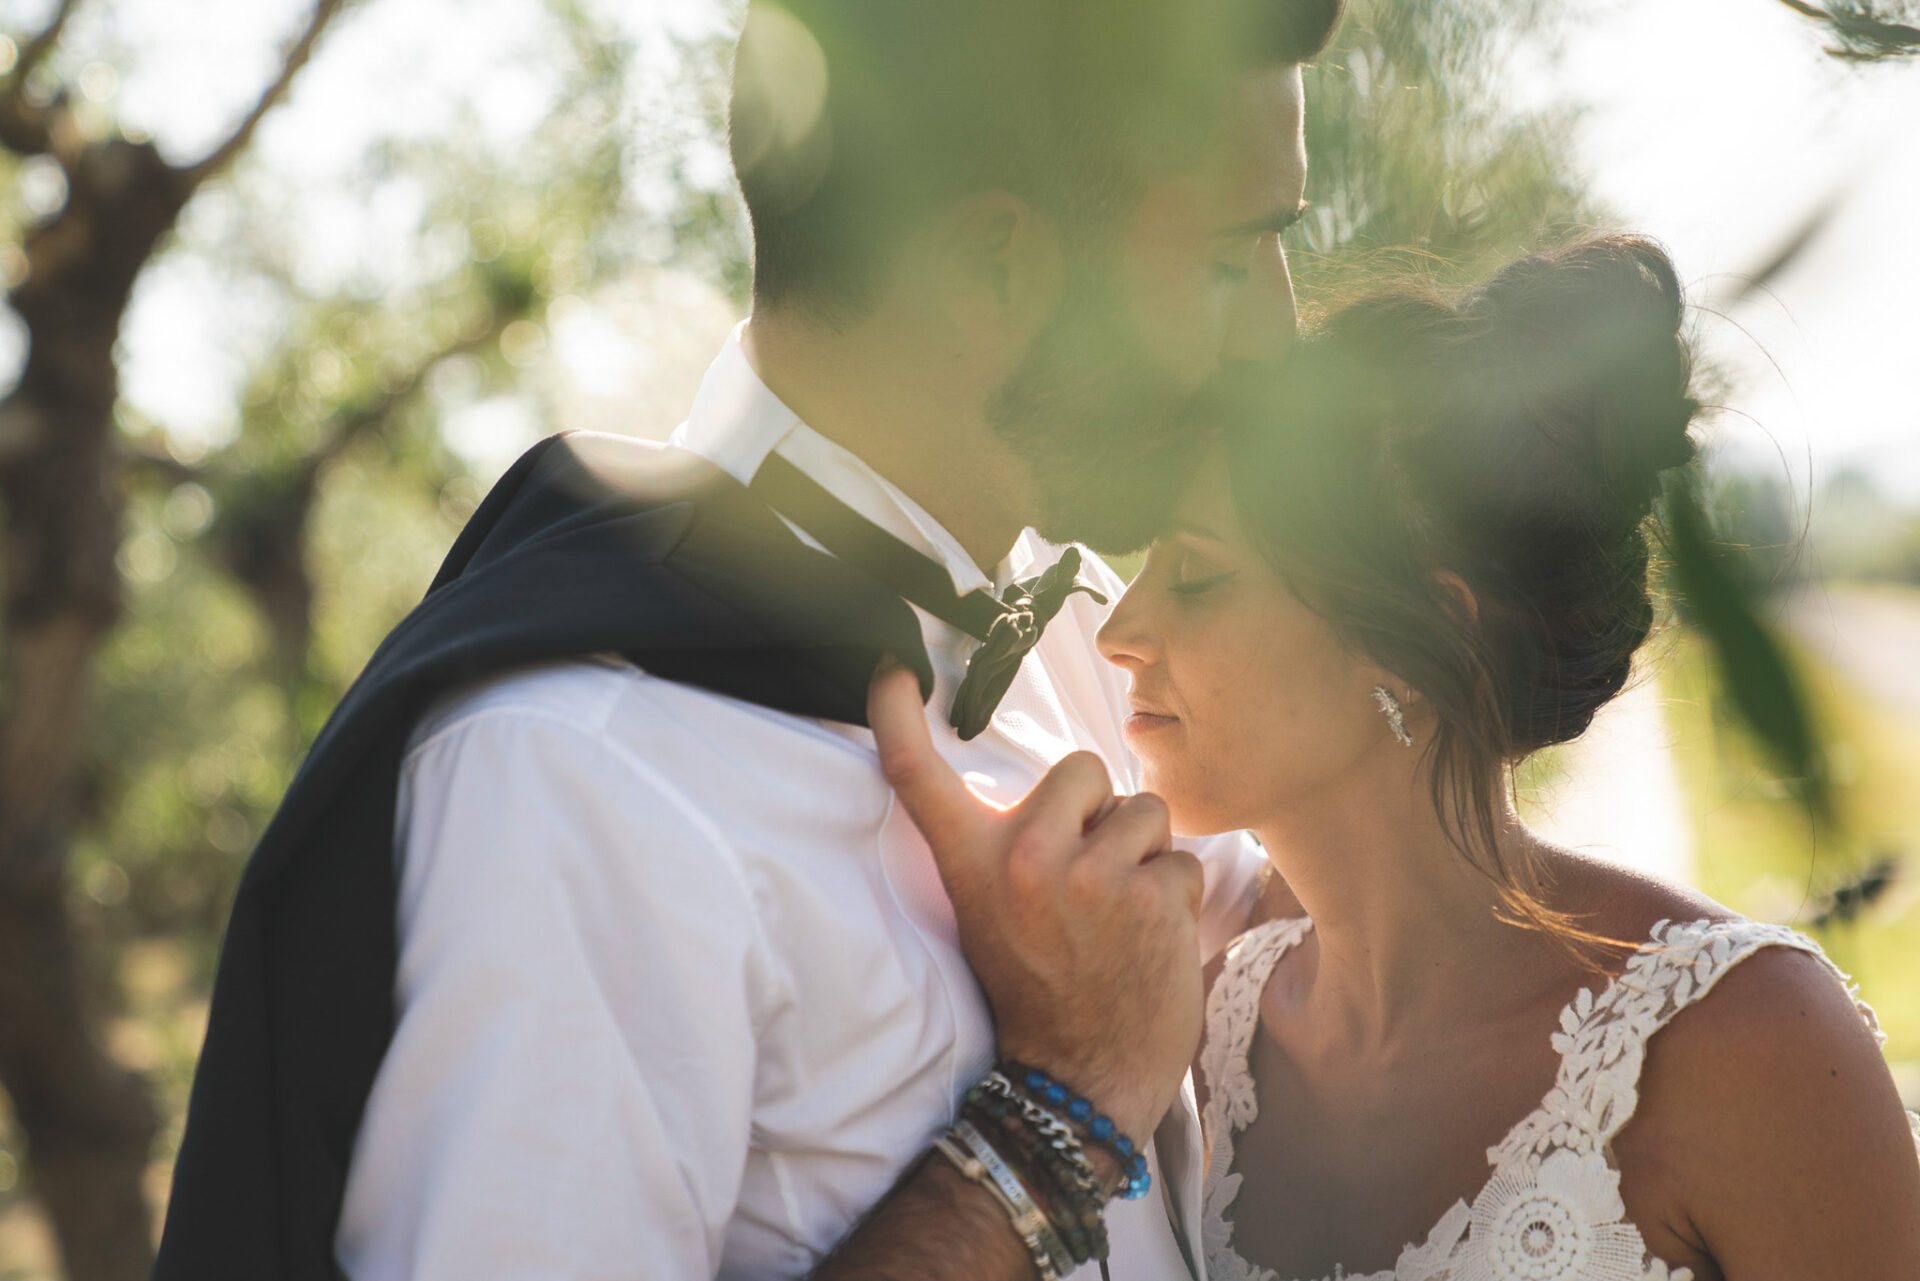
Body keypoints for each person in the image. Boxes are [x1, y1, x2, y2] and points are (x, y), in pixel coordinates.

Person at [155, 2, 1343, 1279]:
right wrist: (1054, 1117)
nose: (1274, 342)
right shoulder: (582, 780)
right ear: (995, 269)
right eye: (1229, 262)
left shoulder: (1103, 645)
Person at [1089, 235, 1920, 1279]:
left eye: (1198, 576)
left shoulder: (1751, 1048)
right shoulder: (1203, 1040)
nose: (1119, 628)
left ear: (1416, 645)